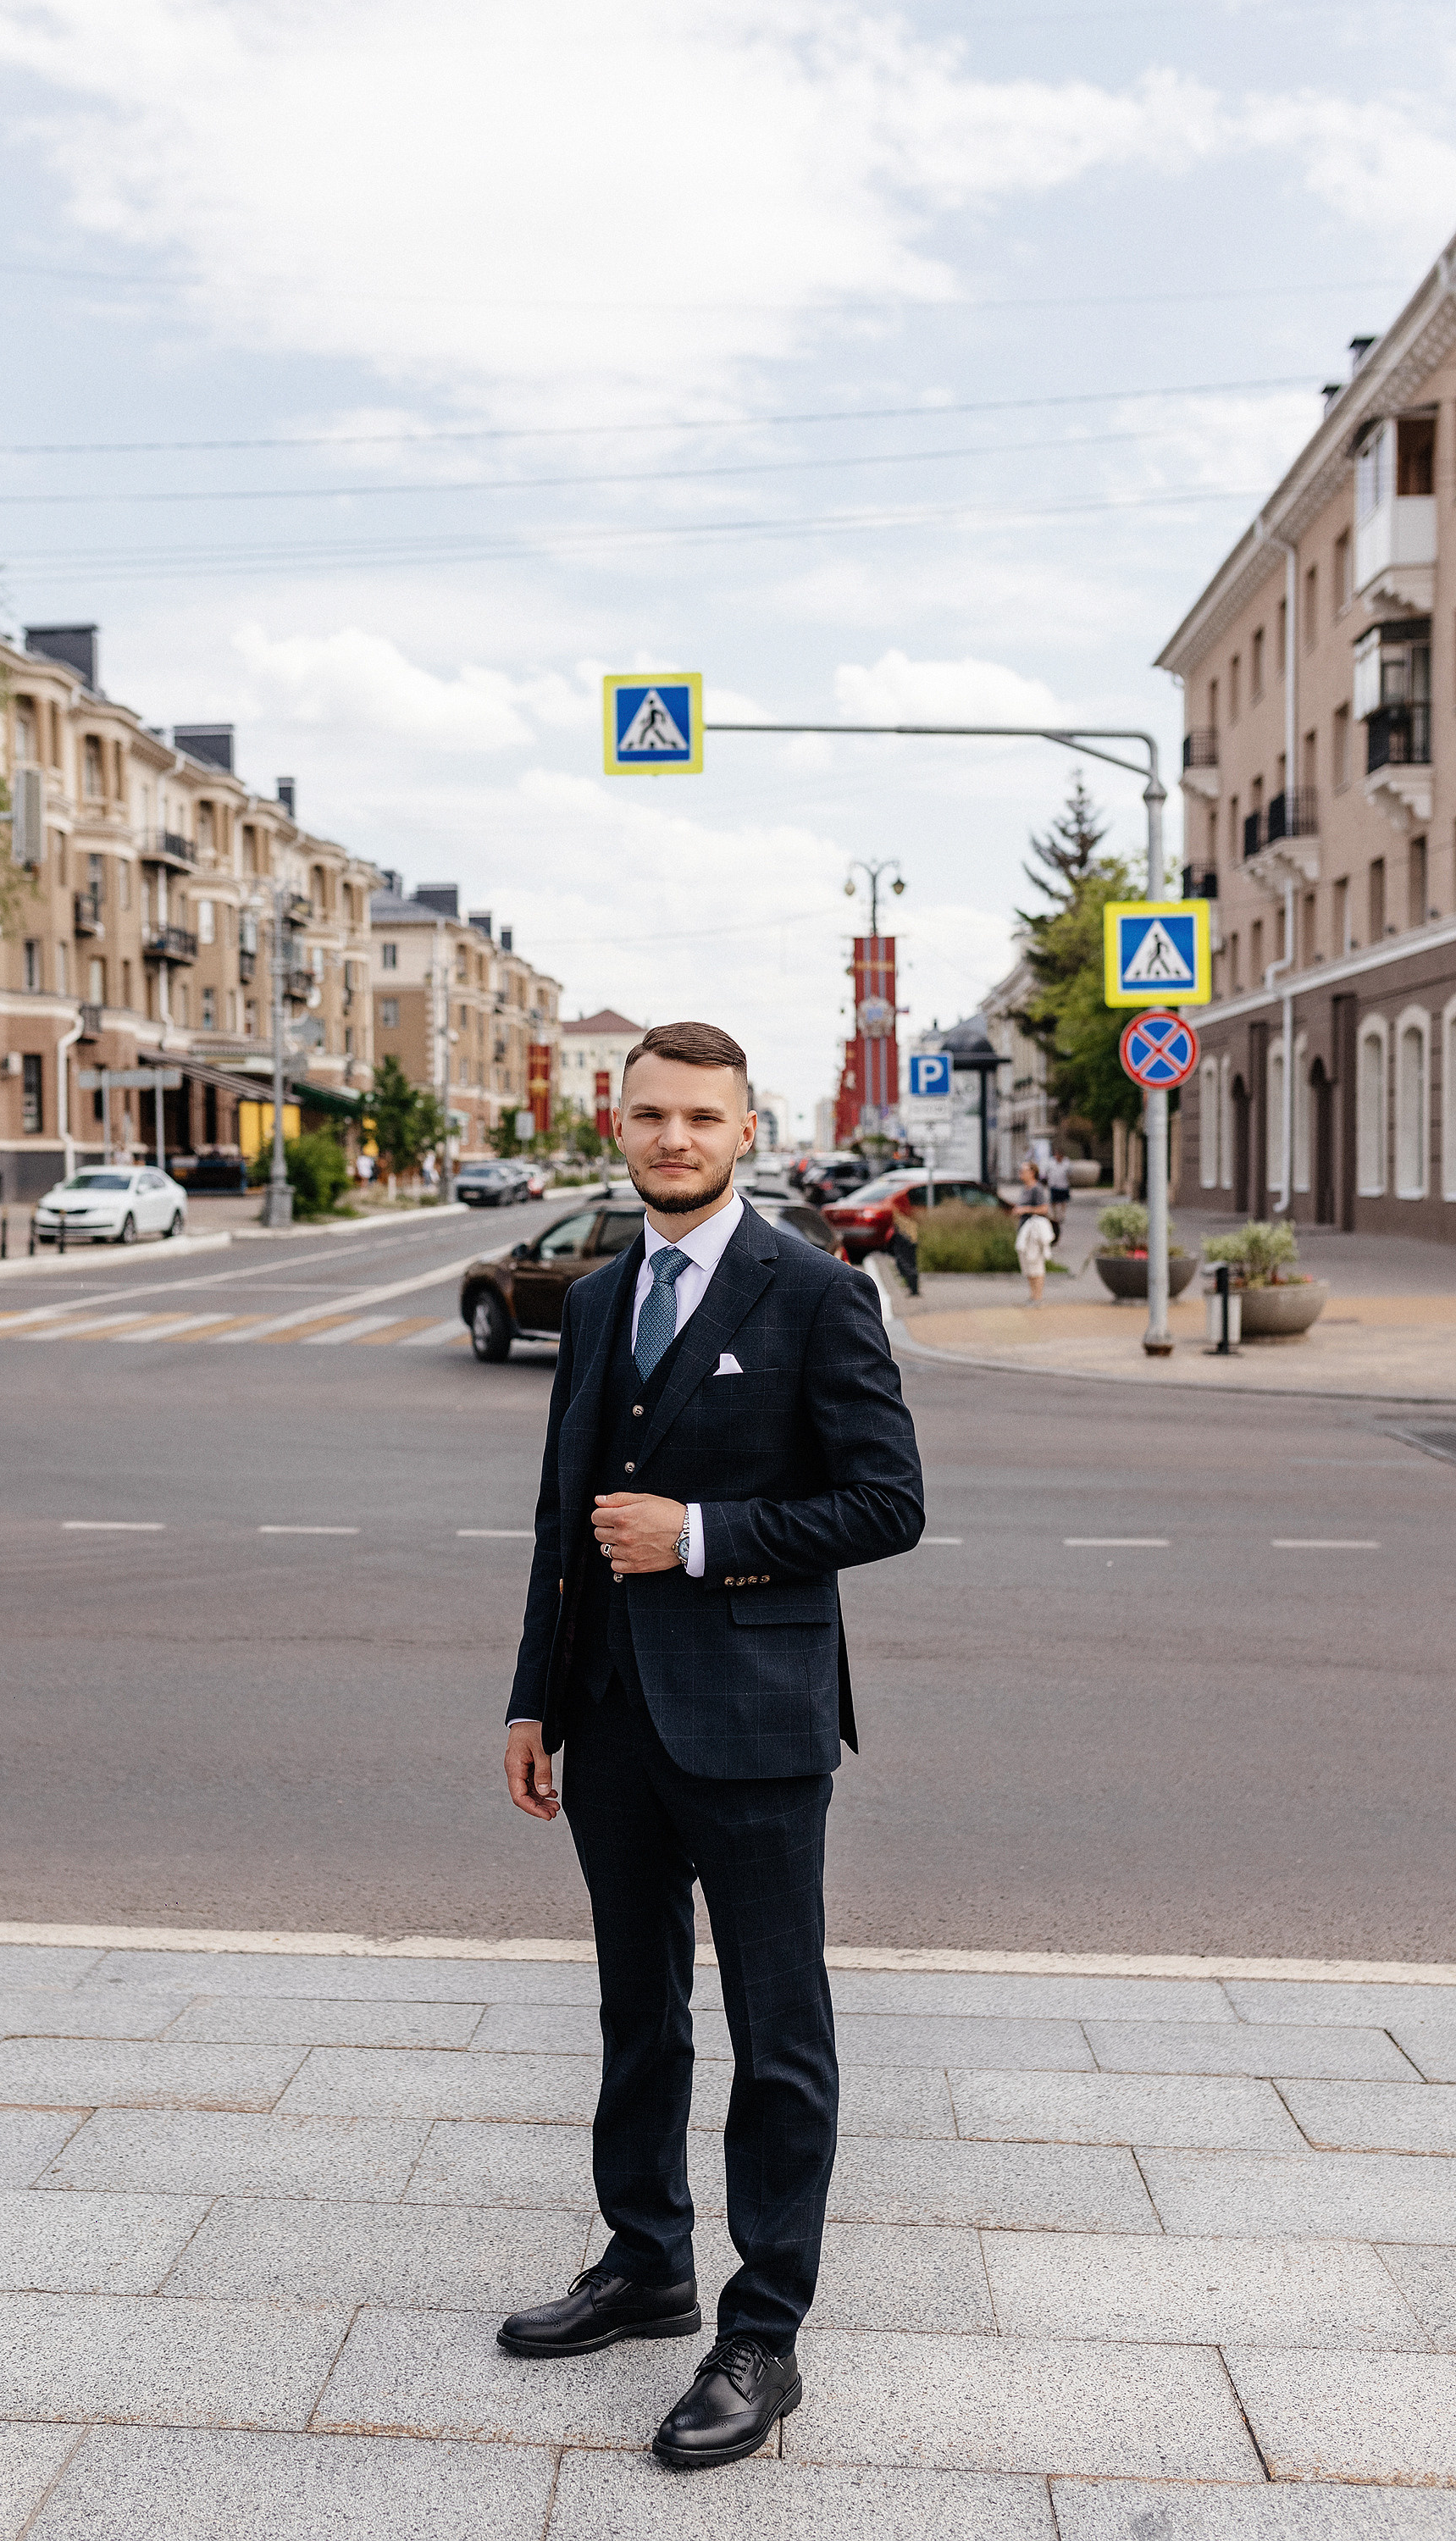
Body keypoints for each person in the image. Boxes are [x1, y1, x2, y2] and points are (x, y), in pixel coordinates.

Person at [498, 1021, 925, 2470]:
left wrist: (698, 1537)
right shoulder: (603, 1291)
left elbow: (888, 1504)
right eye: (650, 1116)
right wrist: (531, 1703)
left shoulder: (813, 1293)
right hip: (612, 1721)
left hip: (755, 1722)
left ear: (749, 1132)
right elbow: (564, 1522)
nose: (674, 1138)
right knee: (637, 2012)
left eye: (702, 1117)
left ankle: (765, 2328)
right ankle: (646, 2265)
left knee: (778, 2033)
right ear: (613, 1130)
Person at [1016, 1204, 1055, 1304]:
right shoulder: (1025, 1190)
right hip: (1026, 1236)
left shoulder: (1037, 1191)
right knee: (1028, 1269)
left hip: (1034, 1238)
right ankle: (1033, 1296)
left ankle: (1038, 1297)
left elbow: (1044, 1209)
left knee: (1037, 1268)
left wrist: (1026, 1210)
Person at [887, 1186, 920, 1298]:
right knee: (908, 1262)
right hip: (909, 1236)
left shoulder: (898, 1199)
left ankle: (913, 1289)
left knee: (906, 1262)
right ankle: (913, 1289)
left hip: (905, 1236)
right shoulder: (903, 1200)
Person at [1045, 1149, 1071, 1243]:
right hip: (1054, 1185)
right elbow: (1047, 1172)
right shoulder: (1051, 1162)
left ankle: (1062, 1215)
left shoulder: (1066, 1163)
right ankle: (1055, 1215)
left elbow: (1069, 1173)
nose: (1057, 1156)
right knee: (1054, 1201)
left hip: (1063, 1185)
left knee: (1063, 1201)